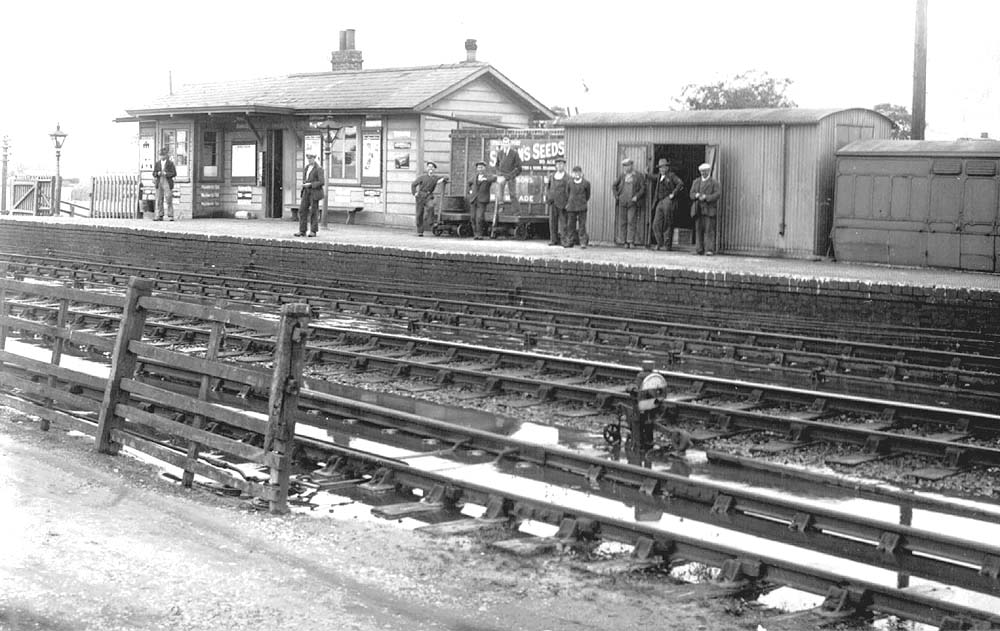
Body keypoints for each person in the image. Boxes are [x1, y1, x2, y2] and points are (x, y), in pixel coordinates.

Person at [650, 159, 684, 251]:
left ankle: (667, 245)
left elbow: (680, 183)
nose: (662, 169)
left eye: (664, 167)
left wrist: (673, 194)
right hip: (660, 202)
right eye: (660, 167)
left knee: (667, 224)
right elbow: (652, 177)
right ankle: (659, 243)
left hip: (668, 201)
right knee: (656, 224)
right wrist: (646, 173)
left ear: (667, 167)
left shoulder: (671, 176)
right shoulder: (659, 177)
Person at [612, 157, 646, 248]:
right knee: (622, 222)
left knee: (631, 221)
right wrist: (617, 196)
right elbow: (614, 186)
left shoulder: (638, 175)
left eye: (628, 165)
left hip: (632, 202)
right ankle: (624, 242)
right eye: (625, 166)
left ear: (632, 165)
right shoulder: (622, 176)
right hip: (622, 202)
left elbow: (643, 188)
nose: (627, 168)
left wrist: (637, 196)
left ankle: (631, 241)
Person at [689, 162, 721, 255]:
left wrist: (706, 197)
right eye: (702, 171)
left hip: (709, 210)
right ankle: (699, 249)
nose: (703, 173)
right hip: (698, 210)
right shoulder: (696, 182)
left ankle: (709, 250)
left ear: (709, 171)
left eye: (705, 171)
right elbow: (691, 194)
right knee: (698, 230)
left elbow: (717, 194)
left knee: (709, 230)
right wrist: (696, 195)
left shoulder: (714, 183)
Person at [411, 161, 448, 237]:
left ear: (434, 169)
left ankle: (431, 222)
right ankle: (420, 231)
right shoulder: (422, 177)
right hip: (420, 196)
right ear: (427, 168)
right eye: (429, 167)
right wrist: (415, 193)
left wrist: (442, 180)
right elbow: (413, 184)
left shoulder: (435, 178)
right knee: (419, 214)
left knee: (431, 206)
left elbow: (445, 177)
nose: (430, 169)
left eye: (432, 167)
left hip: (428, 196)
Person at [296, 153, 325, 237]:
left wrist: (311, 184)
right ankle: (302, 230)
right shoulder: (306, 168)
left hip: (314, 192)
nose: (309, 160)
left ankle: (313, 231)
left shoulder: (319, 169)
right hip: (306, 191)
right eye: (308, 159)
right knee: (302, 210)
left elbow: (322, 182)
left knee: (313, 211)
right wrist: (305, 185)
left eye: (311, 158)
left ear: (314, 159)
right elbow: (305, 179)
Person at [563, 166, 591, 249]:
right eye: (575, 173)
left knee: (582, 225)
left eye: (578, 173)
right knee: (570, 225)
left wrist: (582, 201)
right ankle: (570, 242)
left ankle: (583, 242)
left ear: (581, 174)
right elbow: (567, 193)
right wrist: (571, 201)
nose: (577, 174)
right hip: (571, 207)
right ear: (572, 174)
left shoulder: (586, 183)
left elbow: (588, 195)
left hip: (582, 207)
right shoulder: (569, 183)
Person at [467, 161, 496, 240]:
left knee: (479, 217)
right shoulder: (474, 177)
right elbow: (468, 184)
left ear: (484, 168)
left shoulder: (488, 176)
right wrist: (470, 192)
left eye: (482, 167)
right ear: (477, 168)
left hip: (482, 200)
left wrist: (485, 179)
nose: (480, 169)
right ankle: (475, 234)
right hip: (473, 200)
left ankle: (480, 235)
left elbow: (494, 178)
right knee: (472, 218)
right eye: (478, 167)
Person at [545, 156, 570, 246]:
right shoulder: (552, 176)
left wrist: (568, 203)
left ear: (564, 166)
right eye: (558, 164)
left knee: (563, 223)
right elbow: (548, 188)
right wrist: (548, 198)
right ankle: (553, 240)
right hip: (553, 203)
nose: (559, 166)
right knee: (552, 222)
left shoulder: (567, 178)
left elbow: (570, 191)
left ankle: (564, 241)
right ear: (556, 166)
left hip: (563, 203)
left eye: (561, 164)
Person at [493, 136, 522, 214]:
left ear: (510, 143)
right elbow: (497, 165)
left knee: (513, 194)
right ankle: (500, 209)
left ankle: (516, 211)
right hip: (502, 176)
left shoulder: (514, 154)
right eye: (504, 143)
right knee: (499, 194)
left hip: (511, 176)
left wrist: (510, 176)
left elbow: (519, 168)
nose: (505, 144)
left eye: (507, 143)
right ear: (502, 144)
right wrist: (499, 174)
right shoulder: (500, 153)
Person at [152, 147, 176, 221]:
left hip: (167, 182)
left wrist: (166, 174)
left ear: (166, 155)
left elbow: (174, 173)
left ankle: (170, 215)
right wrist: (157, 173)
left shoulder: (170, 163)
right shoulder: (157, 163)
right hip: (159, 182)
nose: (162, 156)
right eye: (161, 155)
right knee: (159, 199)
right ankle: (160, 215)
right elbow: (154, 173)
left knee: (168, 198)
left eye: (163, 155)